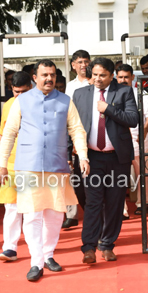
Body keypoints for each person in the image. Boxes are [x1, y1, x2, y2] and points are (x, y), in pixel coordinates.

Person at [0, 59, 89, 281]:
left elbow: (77, 130)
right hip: (28, 166)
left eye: (52, 75)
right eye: (44, 75)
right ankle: (36, 261)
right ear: (35, 78)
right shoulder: (22, 101)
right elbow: (9, 132)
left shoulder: (66, 101)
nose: (49, 79)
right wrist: (1, 163)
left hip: (57, 165)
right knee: (32, 215)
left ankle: (49, 254)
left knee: (56, 215)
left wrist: (83, 156)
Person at [73, 57, 139, 263]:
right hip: (91, 157)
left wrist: (108, 108)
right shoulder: (80, 94)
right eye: (94, 75)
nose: (98, 79)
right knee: (92, 202)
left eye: (103, 75)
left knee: (115, 203)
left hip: (117, 158)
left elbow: (132, 119)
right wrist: (73, 153)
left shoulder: (124, 91)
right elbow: (73, 125)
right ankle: (89, 248)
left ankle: (108, 244)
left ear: (112, 75)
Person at [0, 71, 33, 262]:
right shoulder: (9, 105)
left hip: (34, 163)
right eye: (16, 91)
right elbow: (2, 133)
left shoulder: (40, 103)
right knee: (11, 207)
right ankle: (9, 248)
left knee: (35, 208)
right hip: (11, 163)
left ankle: (39, 248)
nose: (19, 96)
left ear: (32, 87)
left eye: (24, 92)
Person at [115, 64, 148, 218]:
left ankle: (142, 203)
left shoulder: (142, 94)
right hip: (118, 141)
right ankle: (122, 208)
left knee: (142, 174)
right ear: (116, 78)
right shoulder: (111, 95)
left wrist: (142, 133)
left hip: (140, 140)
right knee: (119, 177)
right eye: (120, 77)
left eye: (126, 77)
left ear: (132, 77)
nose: (123, 80)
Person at [64, 49, 91, 228]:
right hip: (76, 138)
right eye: (80, 62)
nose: (83, 65)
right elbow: (68, 115)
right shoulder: (70, 86)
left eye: (86, 61)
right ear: (73, 65)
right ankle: (73, 214)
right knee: (77, 182)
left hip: (96, 137)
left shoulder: (97, 83)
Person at [0, 70, 15, 137]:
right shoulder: (1, 93)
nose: (12, 82)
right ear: (6, 81)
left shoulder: (22, 92)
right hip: (4, 124)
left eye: (14, 79)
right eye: (10, 79)